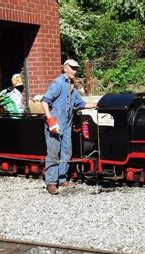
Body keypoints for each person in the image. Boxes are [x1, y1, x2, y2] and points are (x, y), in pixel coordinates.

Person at [41, 59, 96, 195]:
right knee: (53, 152)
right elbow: (44, 101)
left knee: (66, 151)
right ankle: (51, 183)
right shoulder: (58, 83)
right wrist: (51, 120)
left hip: (67, 125)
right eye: (72, 68)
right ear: (65, 68)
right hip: (55, 124)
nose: (75, 71)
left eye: (76, 68)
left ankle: (62, 178)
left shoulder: (72, 88)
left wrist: (97, 104)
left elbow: (81, 104)